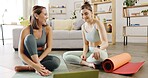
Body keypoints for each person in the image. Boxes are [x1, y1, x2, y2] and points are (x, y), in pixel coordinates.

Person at [15, 5, 60, 76]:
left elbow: (49, 48)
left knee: (56, 61)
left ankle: (29, 68)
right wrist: (35, 64)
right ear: (36, 16)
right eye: (45, 14)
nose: (47, 17)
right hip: (29, 58)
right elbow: (21, 53)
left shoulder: (48, 29)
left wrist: (39, 60)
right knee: (30, 37)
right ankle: (36, 66)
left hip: (41, 57)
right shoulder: (26, 30)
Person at [63, 2, 108, 68]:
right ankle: (87, 63)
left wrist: (98, 49)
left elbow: (105, 43)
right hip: (89, 52)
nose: (84, 16)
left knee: (100, 57)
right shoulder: (83, 26)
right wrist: (84, 53)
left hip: (100, 52)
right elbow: (86, 44)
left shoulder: (98, 23)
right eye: (82, 14)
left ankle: (86, 61)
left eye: (86, 14)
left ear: (92, 13)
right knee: (65, 55)